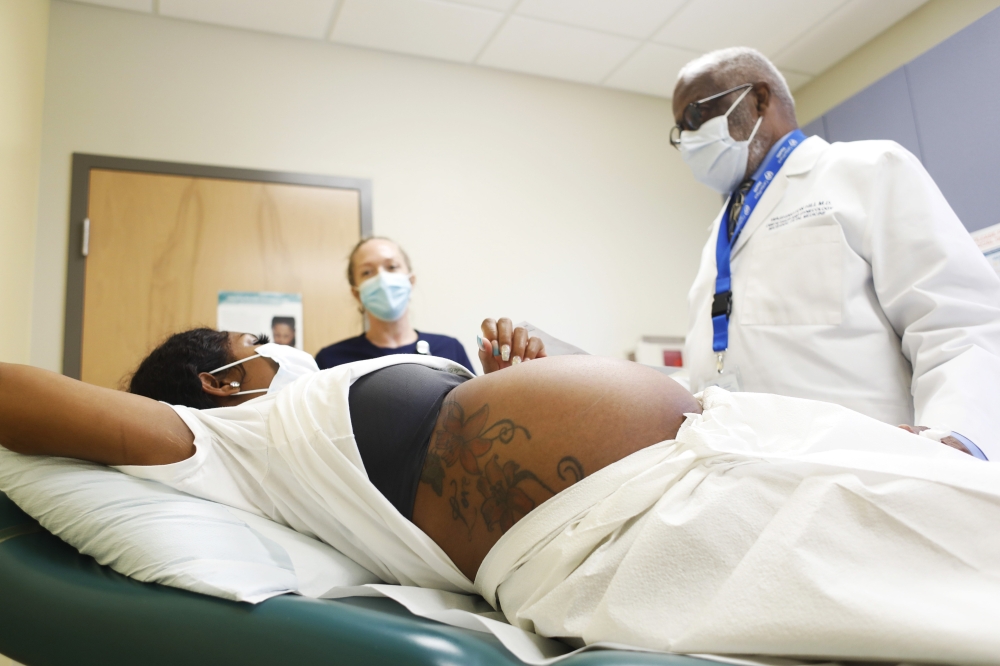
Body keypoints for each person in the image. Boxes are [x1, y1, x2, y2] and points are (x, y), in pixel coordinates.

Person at [1, 326, 995, 664]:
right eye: (252, 345)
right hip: (635, 525)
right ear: (222, 380)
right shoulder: (213, 440)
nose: (283, 348)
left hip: (729, 444)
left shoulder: (306, 400)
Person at [671, 47, 1000, 461]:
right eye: (679, 130)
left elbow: (957, 320)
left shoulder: (868, 169)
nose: (686, 137)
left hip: (869, 471)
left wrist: (959, 436)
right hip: (746, 475)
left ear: (757, 99)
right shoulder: (721, 232)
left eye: (696, 117)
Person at [317, 238, 530, 373]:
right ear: (356, 293)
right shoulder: (331, 359)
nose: (382, 278)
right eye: (367, 272)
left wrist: (503, 381)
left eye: (391, 266)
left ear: (410, 280)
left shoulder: (449, 349)